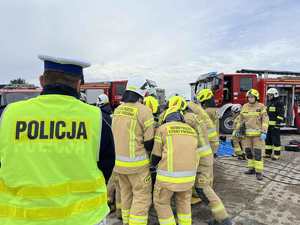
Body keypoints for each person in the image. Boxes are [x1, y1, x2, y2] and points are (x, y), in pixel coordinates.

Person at [0, 55, 115, 225]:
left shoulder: (8, 115)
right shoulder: (96, 118)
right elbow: (106, 165)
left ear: (42, 81)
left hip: (19, 219)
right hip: (85, 218)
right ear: (78, 84)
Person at [112, 80, 155, 225]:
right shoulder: (144, 111)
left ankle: (126, 221)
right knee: (142, 197)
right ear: (141, 93)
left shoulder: (118, 109)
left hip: (118, 164)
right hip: (137, 165)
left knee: (126, 194)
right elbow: (149, 142)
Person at [151, 106, 198, 225]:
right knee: (184, 204)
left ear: (166, 118)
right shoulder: (191, 130)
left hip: (167, 179)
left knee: (162, 203)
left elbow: (156, 155)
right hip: (188, 179)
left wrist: (151, 165)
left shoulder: (163, 128)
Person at [237, 89, 269, 180]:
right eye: (249, 97)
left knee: (258, 153)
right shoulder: (244, 106)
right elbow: (240, 119)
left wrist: (264, 131)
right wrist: (237, 130)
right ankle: (251, 169)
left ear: (256, 97)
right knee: (248, 152)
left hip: (258, 135)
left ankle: (259, 172)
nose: (250, 99)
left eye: (252, 97)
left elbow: (265, 120)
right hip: (246, 135)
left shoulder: (261, 106)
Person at [265, 88, 284, 160]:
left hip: (275, 126)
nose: (269, 96)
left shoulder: (279, 103)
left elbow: (281, 115)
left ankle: (277, 155)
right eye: (268, 95)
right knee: (268, 140)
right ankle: (268, 153)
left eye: (270, 95)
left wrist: (277, 124)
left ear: (275, 95)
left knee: (276, 140)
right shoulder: (269, 102)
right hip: (268, 125)